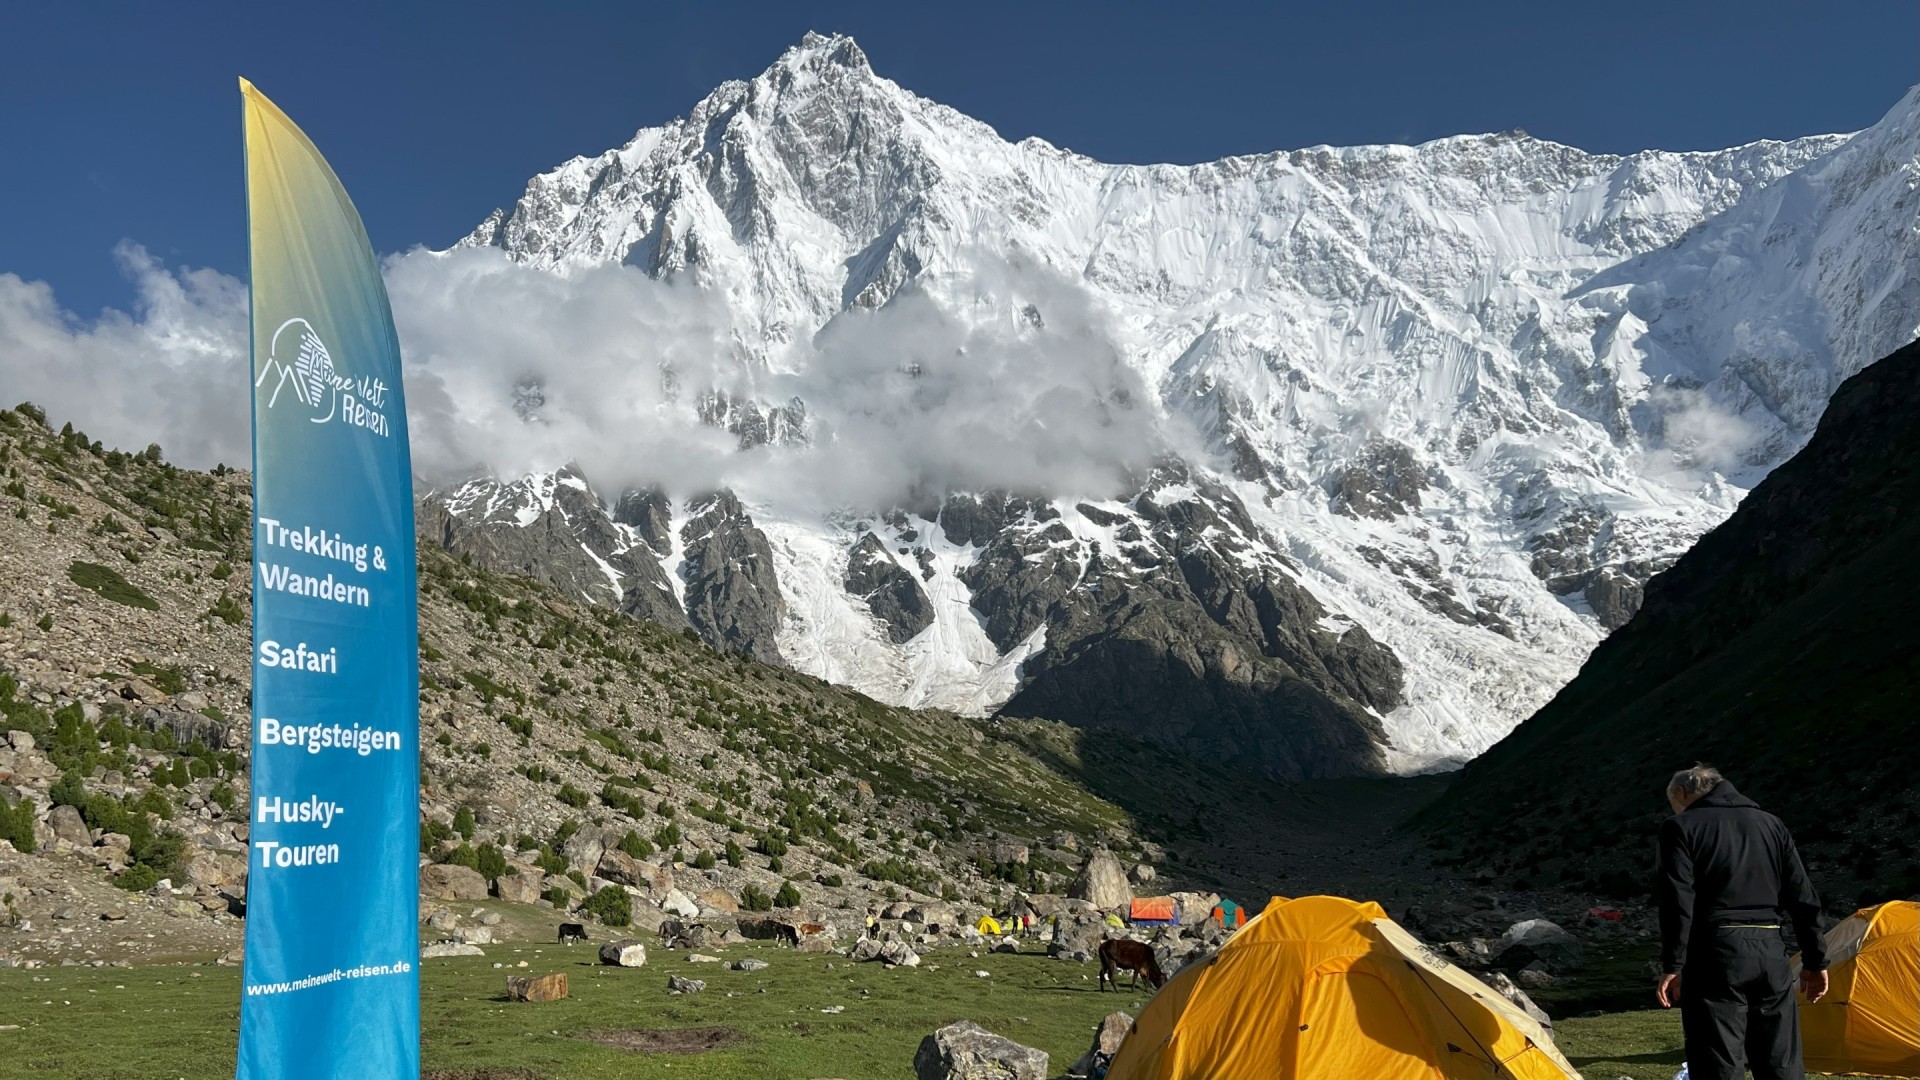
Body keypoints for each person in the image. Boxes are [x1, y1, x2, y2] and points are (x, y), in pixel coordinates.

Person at [1655, 765, 1830, 1080]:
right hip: (1772, 950)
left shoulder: (1680, 827)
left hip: (1714, 953)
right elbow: (1804, 897)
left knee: (1718, 1061)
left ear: (1681, 793)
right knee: (1780, 1060)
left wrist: (1673, 964)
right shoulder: (1772, 825)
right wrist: (1815, 960)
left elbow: (1677, 902)